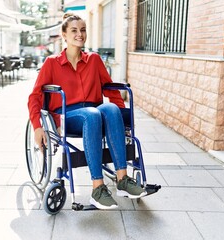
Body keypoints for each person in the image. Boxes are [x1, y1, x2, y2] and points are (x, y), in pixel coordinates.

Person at [27, 12, 146, 210]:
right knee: (92, 114)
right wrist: (37, 127)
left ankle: (123, 180)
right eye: (74, 30)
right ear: (64, 35)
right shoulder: (52, 63)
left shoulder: (94, 60)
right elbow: (35, 96)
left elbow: (111, 90)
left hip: (95, 111)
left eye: (83, 30)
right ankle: (97, 189)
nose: (80, 34)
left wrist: (122, 120)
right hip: (67, 114)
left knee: (110, 108)